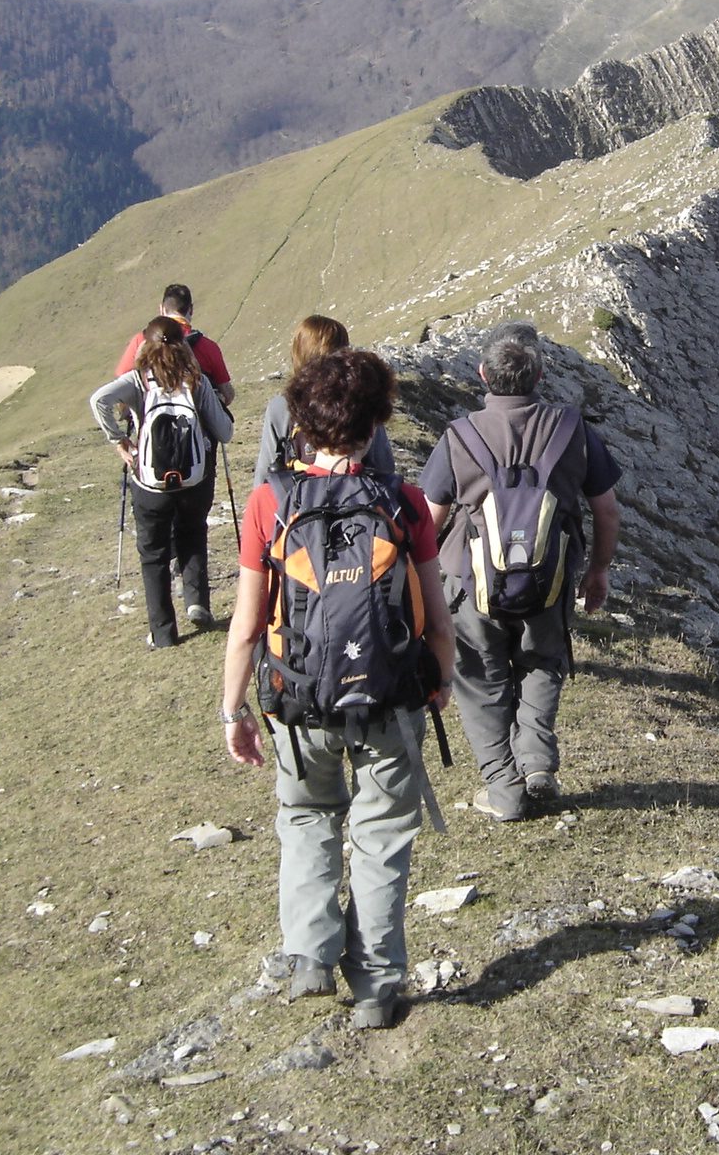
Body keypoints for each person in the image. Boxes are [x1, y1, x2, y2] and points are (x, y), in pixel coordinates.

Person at [219, 348, 456, 1031]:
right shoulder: (406, 503)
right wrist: (435, 686)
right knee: (382, 833)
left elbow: (244, 625)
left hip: (298, 701)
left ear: (300, 418)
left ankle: (310, 957)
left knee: (306, 816)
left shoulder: (269, 503)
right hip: (391, 697)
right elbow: (437, 620)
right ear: (378, 420)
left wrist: (233, 710)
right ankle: (379, 988)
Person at [422, 321, 620, 823]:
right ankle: (536, 764)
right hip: (548, 578)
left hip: (471, 584)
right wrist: (597, 571)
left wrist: (416, 589)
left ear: (482, 373)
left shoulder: (459, 435)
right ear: (540, 373)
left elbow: (430, 520)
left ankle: (503, 788)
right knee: (542, 662)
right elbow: (607, 509)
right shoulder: (574, 428)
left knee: (479, 677)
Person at [90, 316, 234, 648]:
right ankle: (197, 601)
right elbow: (225, 432)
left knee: (153, 552)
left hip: (149, 483)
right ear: (183, 346)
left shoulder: (138, 382)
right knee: (193, 531)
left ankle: (163, 632)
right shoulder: (195, 382)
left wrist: (119, 441)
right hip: (195, 480)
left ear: (145, 347)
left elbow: (99, 400)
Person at [252, 315, 394, 483]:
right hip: (355, 498)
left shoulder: (281, 406)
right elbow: (384, 467)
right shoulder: (362, 400)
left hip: (295, 503)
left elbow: (265, 473)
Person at [119, 284, 236, 408]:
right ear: (191, 310)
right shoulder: (208, 346)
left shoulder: (140, 340)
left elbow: (124, 383)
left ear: (162, 309)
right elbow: (227, 394)